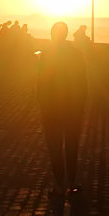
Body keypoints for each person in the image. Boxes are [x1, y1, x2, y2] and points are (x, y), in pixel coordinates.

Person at [36, 21, 88, 199]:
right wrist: (80, 105)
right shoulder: (76, 54)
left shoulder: (47, 55)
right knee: (71, 145)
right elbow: (83, 83)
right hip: (72, 108)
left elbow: (41, 83)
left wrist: (42, 104)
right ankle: (71, 182)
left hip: (51, 108)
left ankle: (59, 184)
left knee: (55, 147)